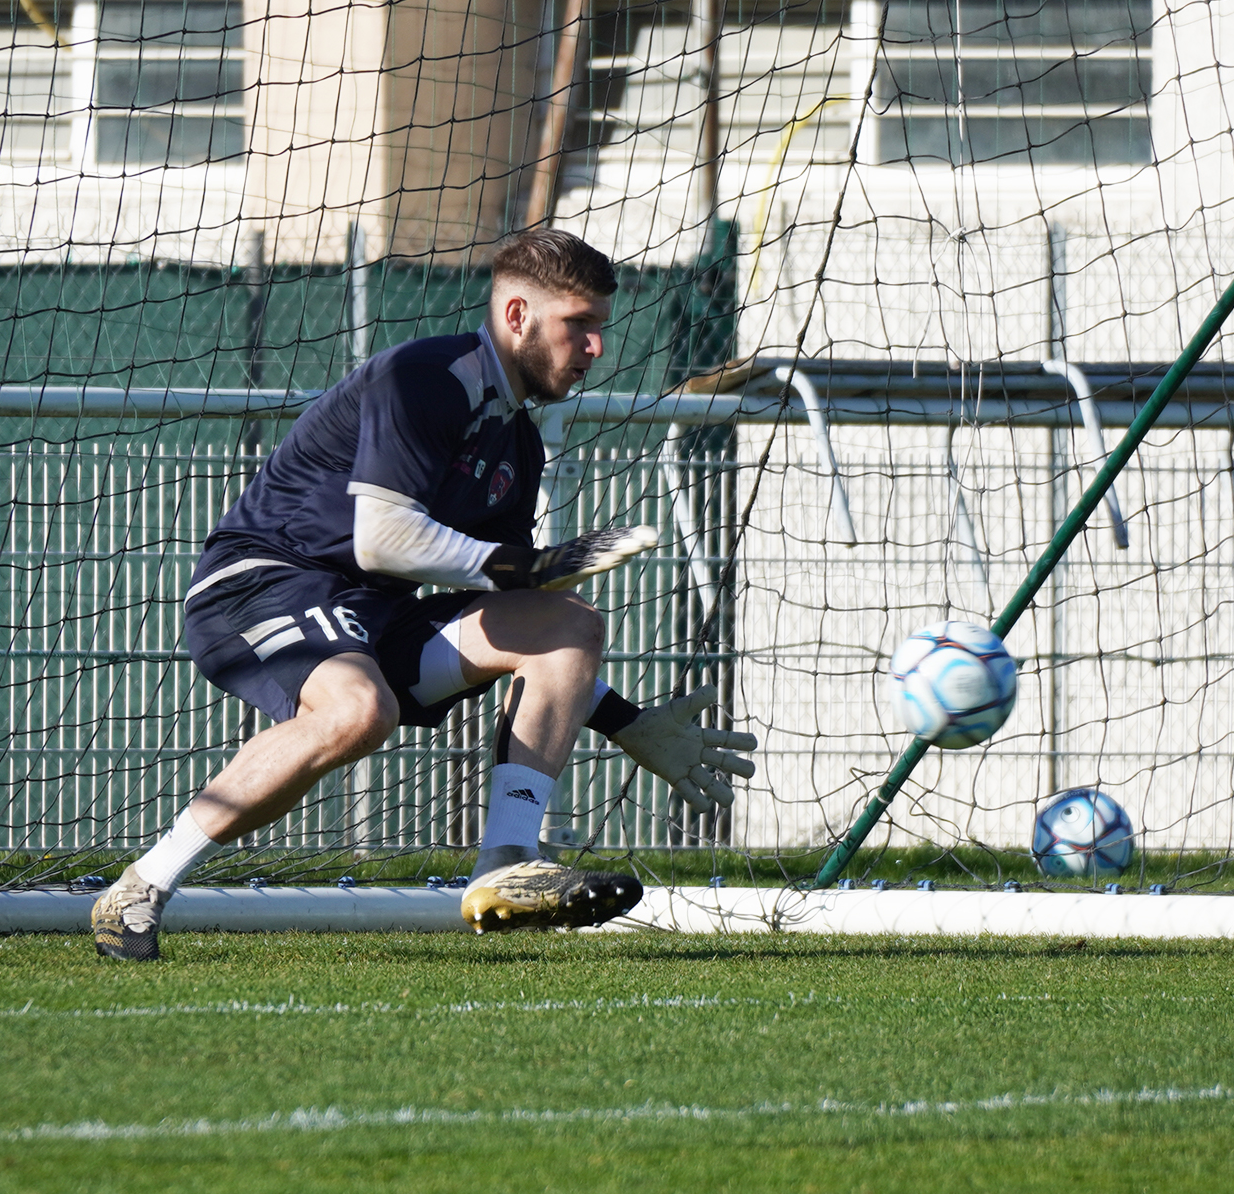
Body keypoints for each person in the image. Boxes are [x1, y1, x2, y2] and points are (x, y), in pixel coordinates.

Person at [92, 229, 757, 961]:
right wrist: (523, 566)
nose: (596, 347)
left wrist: (629, 722)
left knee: (566, 623)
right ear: (516, 316)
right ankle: (141, 886)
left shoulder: (519, 445)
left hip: (380, 617)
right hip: (265, 581)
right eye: (580, 325)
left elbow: (507, 609)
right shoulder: (426, 376)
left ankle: (504, 866)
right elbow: (385, 540)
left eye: (601, 326)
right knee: (359, 710)